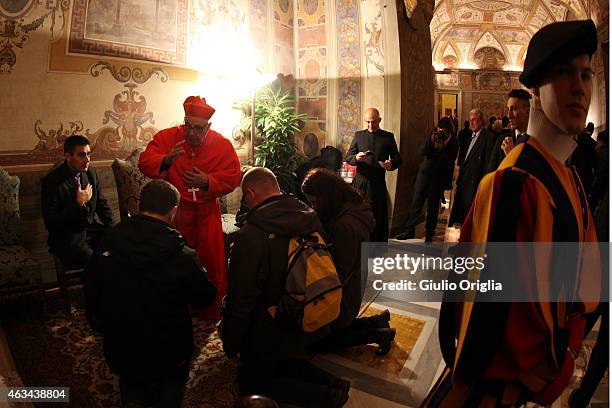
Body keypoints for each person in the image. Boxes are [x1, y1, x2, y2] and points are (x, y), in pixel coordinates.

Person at [423, 20, 601, 407]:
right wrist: (516, 364)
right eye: (564, 73)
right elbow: (477, 299)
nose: (580, 87)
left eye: (586, 74)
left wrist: (565, 350)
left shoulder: (567, 175)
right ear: (535, 90)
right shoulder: (514, 181)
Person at [221, 167, 349, 408]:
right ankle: (334, 383)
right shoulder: (309, 215)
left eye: (244, 198)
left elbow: (242, 298)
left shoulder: (251, 234)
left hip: (269, 324)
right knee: (285, 361)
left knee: (250, 382)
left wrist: (232, 342)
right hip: (306, 309)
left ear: (250, 193)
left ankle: (326, 396)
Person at [84, 179, 217, 408]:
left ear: (139, 206)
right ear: (173, 211)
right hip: (170, 351)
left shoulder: (109, 242)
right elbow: (205, 297)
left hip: (123, 347)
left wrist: (105, 328)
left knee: (132, 392)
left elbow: (92, 293)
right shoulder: (182, 254)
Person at [139, 96, 241, 320]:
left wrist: (207, 181)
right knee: (177, 262)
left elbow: (234, 176)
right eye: (188, 126)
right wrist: (166, 160)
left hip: (207, 212)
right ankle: (180, 307)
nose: (192, 133)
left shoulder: (221, 144)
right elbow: (145, 161)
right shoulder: (168, 137)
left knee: (210, 261)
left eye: (198, 128)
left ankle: (210, 309)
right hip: (176, 213)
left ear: (208, 127)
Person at [301, 168, 395, 355]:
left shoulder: (345, 226)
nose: (312, 207)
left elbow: (336, 274)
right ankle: (378, 321)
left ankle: (377, 334)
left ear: (326, 197)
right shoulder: (350, 206)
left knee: (313, 342)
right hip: (353, 284)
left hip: (345, 294)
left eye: (313, 202)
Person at [41, 135, 115, 268]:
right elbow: (51, 223)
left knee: (119, 250)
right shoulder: (51, 181)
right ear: (68, 156)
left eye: (88, 154)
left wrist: (114, 231)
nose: (87, 160)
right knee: (97, 262)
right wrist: (78, 204)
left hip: (90, 230)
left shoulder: (91, 173)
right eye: (81, 155)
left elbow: (102, 205)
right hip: (67, 237)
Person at [397, 117, 458, 242]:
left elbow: (449, 163)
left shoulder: (453, 143)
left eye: (444, 132)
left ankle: (429, 234)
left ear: (449, 131)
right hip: (424, 177)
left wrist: (441, 149)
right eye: (439, 130)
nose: (441, 133)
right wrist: (431, 142)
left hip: (438, 179)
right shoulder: (433, 136)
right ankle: (409, 231)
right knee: (415, 205)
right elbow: (421, 152)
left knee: (433, 208)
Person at [346, 107, 402, 242]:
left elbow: (398, 159)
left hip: (378, 183)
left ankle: (376, 248)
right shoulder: (359, 135)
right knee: (359, 215)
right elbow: (348, 157)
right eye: (368, 122)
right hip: (360, 184)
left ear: (380, 120)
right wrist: (356, 158)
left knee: (377, 217)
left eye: (374, 122)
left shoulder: (388, 137)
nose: (370, 125)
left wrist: (391, 164)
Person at [447, 109, 496, 227]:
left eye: (474, 120)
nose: (471, 123)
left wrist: (483, 185)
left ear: (482, 121)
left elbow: (489, 165)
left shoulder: (489, 138)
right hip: (464, 183)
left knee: (472, 220)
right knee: (462, 217)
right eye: (470, 120)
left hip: (475, 185)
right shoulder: (469, 137)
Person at [487, 91, 531, 172]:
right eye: (508, 109)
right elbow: (491, 173)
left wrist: (511, 156)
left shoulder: (535, 142)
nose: (508, 115)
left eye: (514, 109)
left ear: (527, 112)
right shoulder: (501, 139)